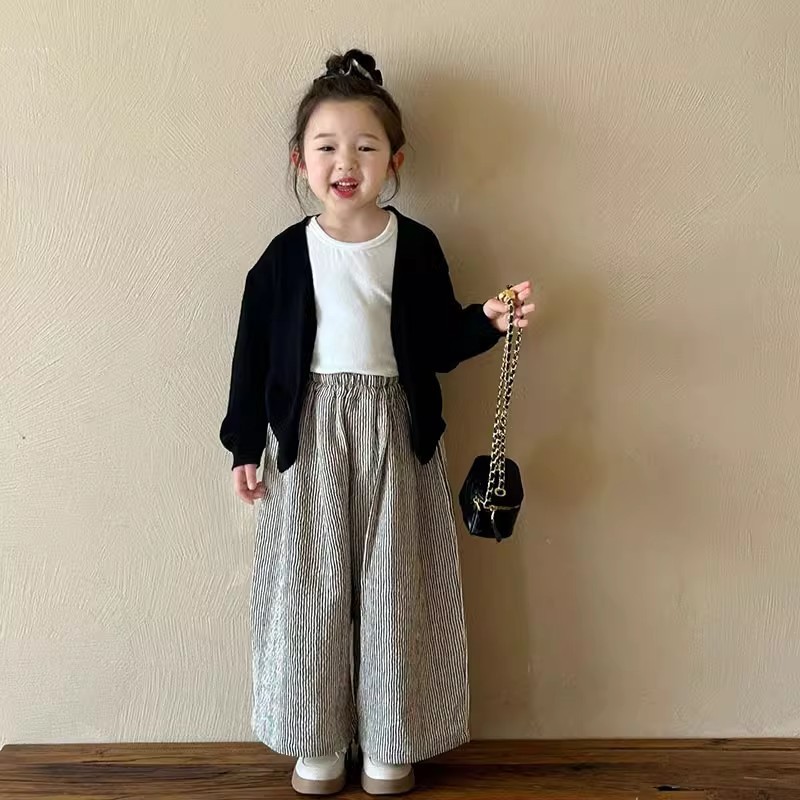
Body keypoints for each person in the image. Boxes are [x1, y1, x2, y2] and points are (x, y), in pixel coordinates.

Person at [220, 48, 534, 796]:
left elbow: (437, 341)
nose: (345, 163)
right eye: (326, 147)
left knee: (395, 585)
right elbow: (251, 354)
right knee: (313, 588)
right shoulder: (283, 257)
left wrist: (488, 321)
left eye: (365, 147)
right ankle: (317, 740)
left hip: (397, 432)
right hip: (308, 435)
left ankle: (393, 741)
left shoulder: (414, 246)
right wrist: (243, 444)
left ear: (395, 160)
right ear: (299, 160)